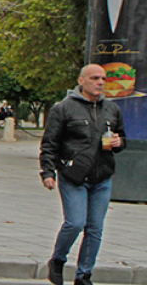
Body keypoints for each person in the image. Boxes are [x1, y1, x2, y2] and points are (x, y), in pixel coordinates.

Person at [40, 64, 127, 285]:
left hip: (102, 176)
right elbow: (50, 143)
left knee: (95, 228)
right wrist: (48, 172)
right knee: (75, 223)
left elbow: (122, 138)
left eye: (103, 79)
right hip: (74, 175)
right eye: (94, 78)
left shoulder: (111, 109)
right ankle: (58, 260)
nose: (100, 82)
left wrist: (118, 142)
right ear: (81, 81)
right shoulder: (64, 108)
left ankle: (84, 274)